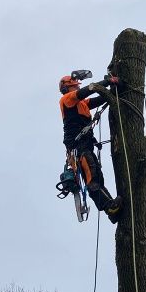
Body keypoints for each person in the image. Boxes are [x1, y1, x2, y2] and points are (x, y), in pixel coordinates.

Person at [59, 73, 122, 222]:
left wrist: (113, 90)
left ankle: (112, 210)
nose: (77, 85)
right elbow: (88, 90)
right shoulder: (66, 99)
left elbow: (98, 99)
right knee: (92, 179)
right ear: (69, 86)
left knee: (97, 177)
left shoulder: (81, 104)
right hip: (78, 148)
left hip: (85, 146)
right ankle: (109, 207)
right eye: (75, 84)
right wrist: (108, 81)